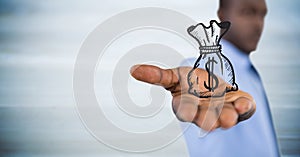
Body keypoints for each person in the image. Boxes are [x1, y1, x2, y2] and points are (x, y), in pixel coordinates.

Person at [130, 0, 280, 156]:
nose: (258, 24)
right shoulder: (199, 70)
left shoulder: (250, 73)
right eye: (247, 13)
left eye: (262, 15)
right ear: (222, 15)